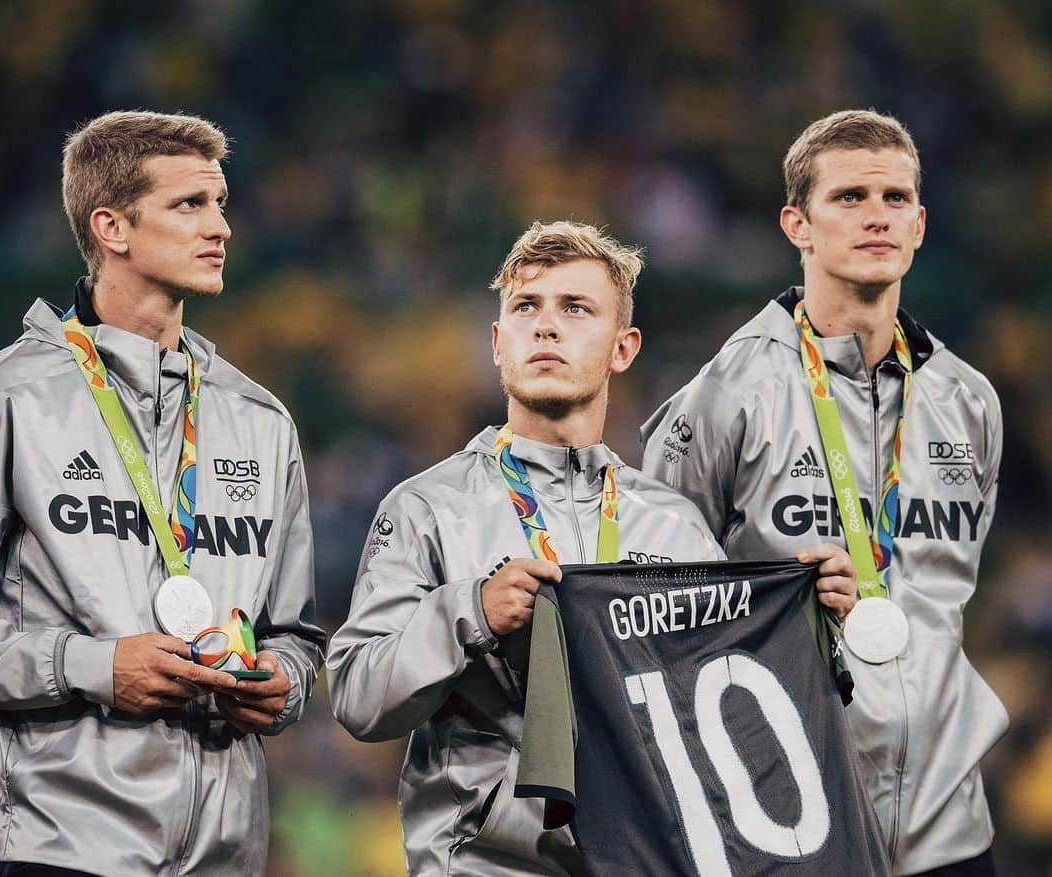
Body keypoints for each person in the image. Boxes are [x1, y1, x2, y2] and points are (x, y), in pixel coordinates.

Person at [326, 220, 856, 876]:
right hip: (490, 864)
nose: (546, 326)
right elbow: (357, 694)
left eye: (575, 308)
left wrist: (815, 624)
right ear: (498, 343)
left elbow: (733, 716)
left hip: (649, 858)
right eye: (526, 308)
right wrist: (471, 611)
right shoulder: (428, 509)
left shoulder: (674, 525)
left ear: (623, 347)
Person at [641, 109, 1008, 877]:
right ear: (796, 225)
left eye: (895, 197)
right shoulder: (725, 397)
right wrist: (780, 598)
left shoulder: (969, 401)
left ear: (919, 225)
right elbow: (648, 607)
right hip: (790, 821)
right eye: (848, 197)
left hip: (949, 830)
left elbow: (945, 602)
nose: (876, 214)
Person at [0, 110, 324, 876]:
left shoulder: (259, 419)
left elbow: (295, 633)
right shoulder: (3, 400)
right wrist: (92, 666)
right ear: (112, 228)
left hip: (226, 852)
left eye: (221, 203)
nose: (221, 227)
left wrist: (279, 683)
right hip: (57, 845)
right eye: (190, 204)